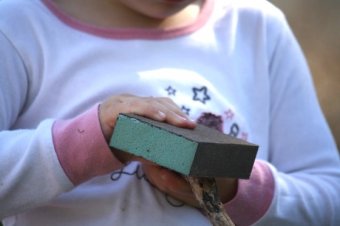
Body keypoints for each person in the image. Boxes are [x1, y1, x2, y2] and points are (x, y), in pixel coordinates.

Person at [0, 0, 339, 225]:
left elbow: (329, 197)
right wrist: (90, 141)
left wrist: (234, 191)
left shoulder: (255, 26)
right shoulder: (17, 24)